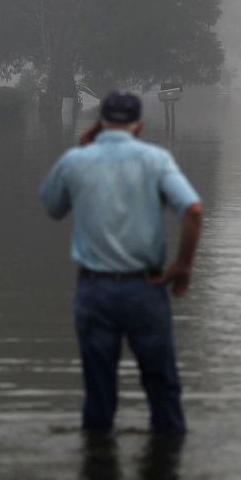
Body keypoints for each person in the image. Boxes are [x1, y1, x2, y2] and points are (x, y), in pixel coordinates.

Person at [39, 90, 202, 437]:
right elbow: (193, 211)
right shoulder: (156, 160)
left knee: (98, 396)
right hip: (147, 289)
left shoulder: (76, 160)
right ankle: (167, 475)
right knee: (163, 392)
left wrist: (83, 152)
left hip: (94, 291)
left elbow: (52, 207)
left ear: (100, 123)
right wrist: (182, 266)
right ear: (138, 126)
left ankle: (98, 474)